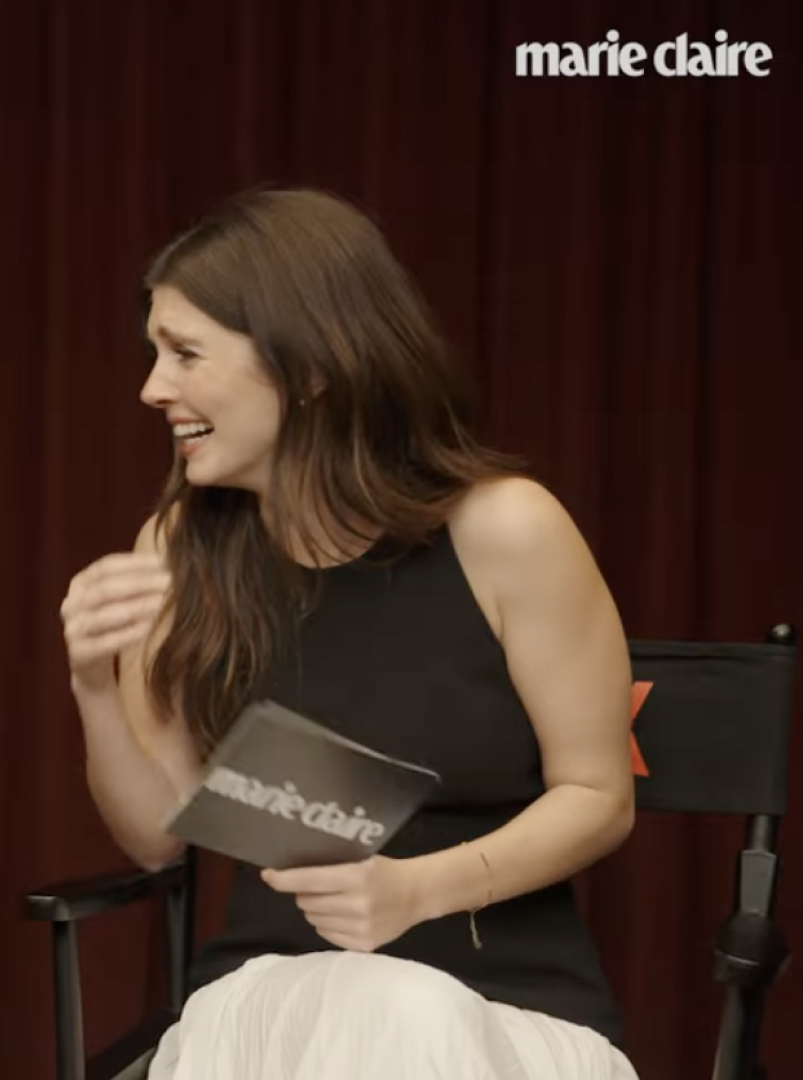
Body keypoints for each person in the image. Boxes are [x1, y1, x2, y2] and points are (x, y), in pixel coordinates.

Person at [59, 188, 639, 1078]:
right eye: (153, 355)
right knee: (331, 1006)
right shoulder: (178, 549)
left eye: (184, 353)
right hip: (263, 1017)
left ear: (311, 366)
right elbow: (156, 836)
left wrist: (414, 890)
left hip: (504, 1016)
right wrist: (95, 688)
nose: (152, 388)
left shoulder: (506, 531)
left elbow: (599, 795)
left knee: (391, 1008)